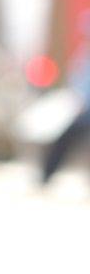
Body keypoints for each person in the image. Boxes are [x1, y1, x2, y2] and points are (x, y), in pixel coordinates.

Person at [42, 9, 90, 183]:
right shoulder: (84, 54)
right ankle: (46, 175)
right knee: (65, 139)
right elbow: (78, 82)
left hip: (85, 111)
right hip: (84, 111)